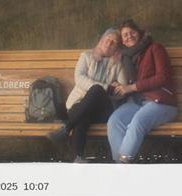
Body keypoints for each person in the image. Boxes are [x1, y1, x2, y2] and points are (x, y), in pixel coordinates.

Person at [47, 28, 125, 162]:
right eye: (107, 40)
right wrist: (108, 87)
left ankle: (67, 128)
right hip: (79, 105)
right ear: (101, 41)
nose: (109, 44)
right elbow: (79, 78)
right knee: (84, 113)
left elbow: (122, 90)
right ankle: (78, 157)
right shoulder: (87, 56)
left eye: (114, 43)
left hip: (103, 111)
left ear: (116, 48)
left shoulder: (118, 64)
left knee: (96, 90)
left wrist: (111, 89)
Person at [107, 19, 177, 162]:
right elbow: (123, 81)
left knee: (137, 122)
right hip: (137, 102)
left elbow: (163, 77)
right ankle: (119, 163)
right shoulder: (126, 57)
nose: (129, 36)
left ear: (139, 33)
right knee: (114, 121)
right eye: (125, 35)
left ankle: (122, 165)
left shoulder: (155, 48)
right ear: (123, 42)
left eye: (132, 32)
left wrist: (132, 87)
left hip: (161, 102)